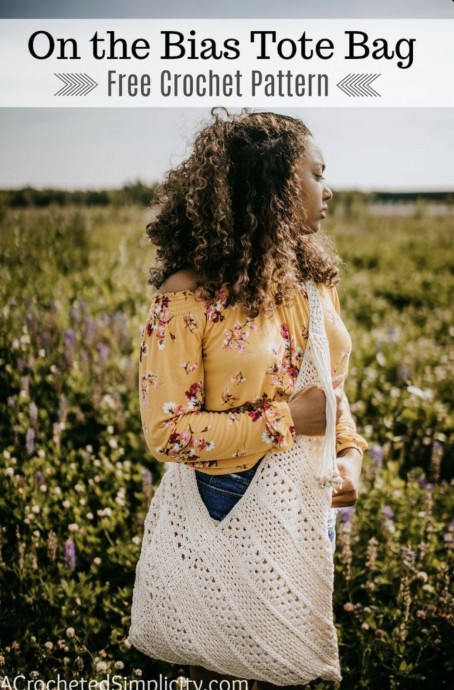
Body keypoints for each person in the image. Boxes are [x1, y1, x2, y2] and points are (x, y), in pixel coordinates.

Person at [137, 108, 368, 690]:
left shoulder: (315, 277)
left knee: (286, 668)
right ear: (273, 186)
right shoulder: (188, 295)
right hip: (226, 498)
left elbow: (332, 384)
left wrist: (349, 452)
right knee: (230, 666)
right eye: (317, 174)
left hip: (307, 496)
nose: (329, 188)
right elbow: (170, 432)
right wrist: (290, 419)